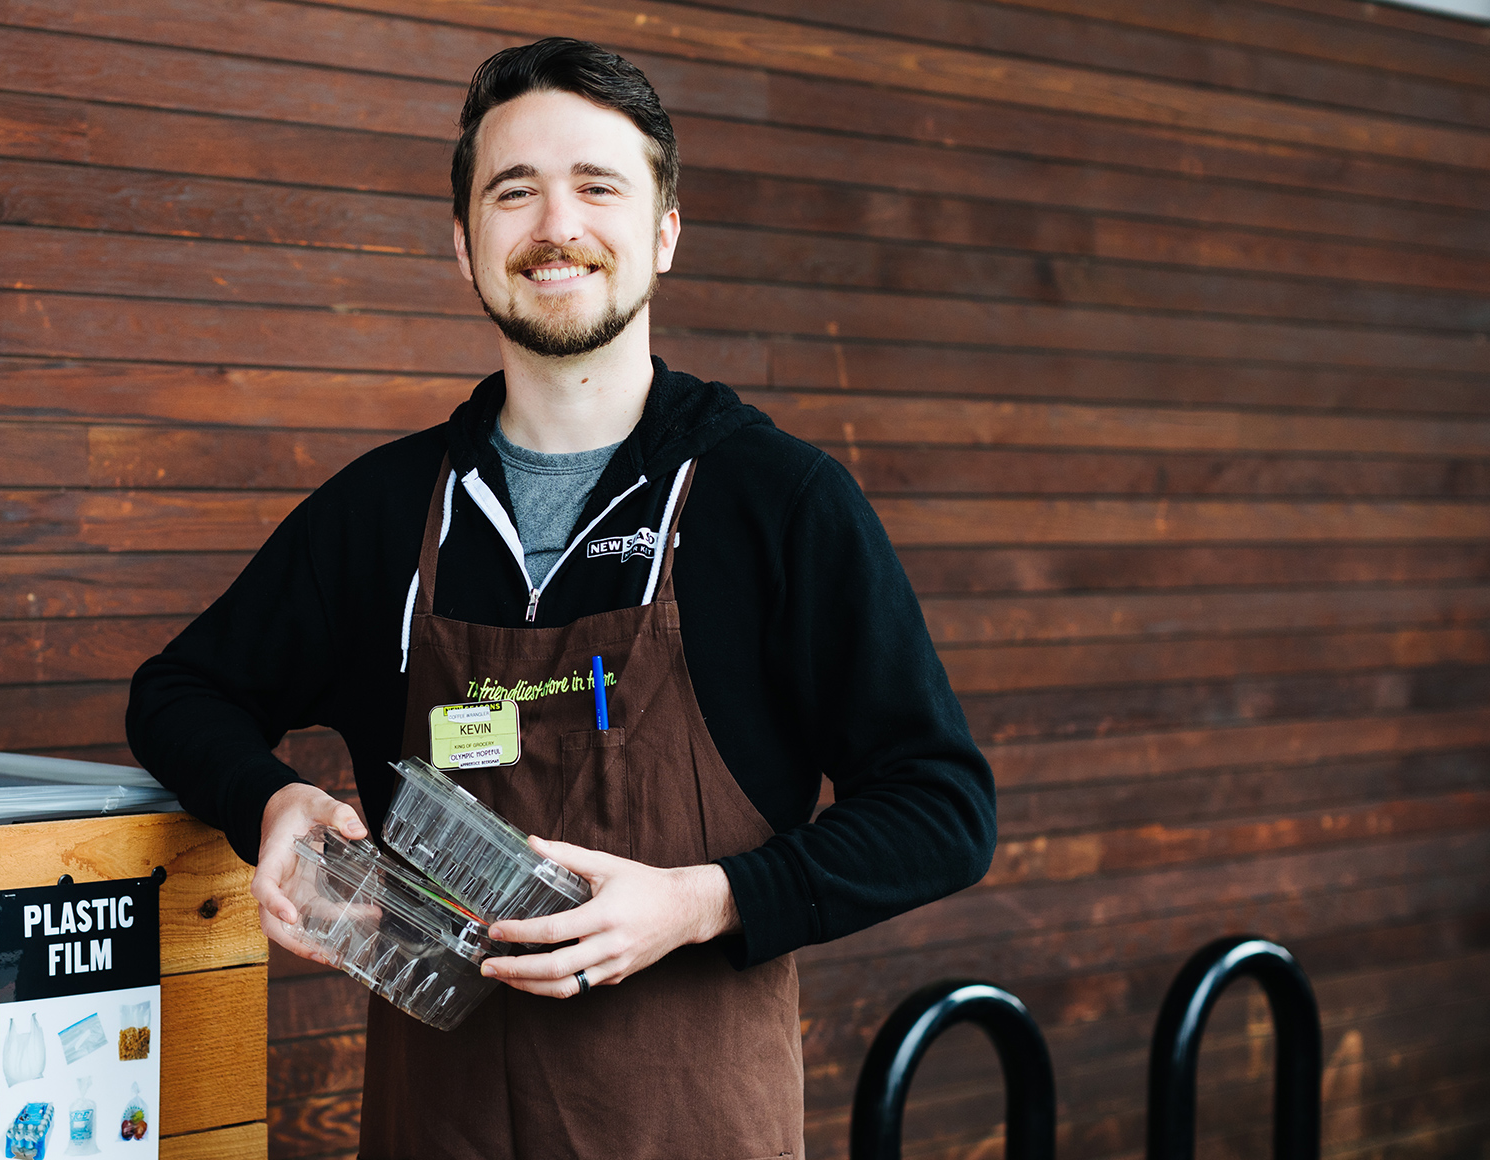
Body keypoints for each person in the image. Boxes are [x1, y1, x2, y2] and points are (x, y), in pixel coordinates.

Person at [127, 37, 995, 1160]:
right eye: (513, 190)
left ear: (664, 230)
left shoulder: (775, 503)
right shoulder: (382, 513)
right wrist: (269, 805)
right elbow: (178, 694)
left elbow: (941, 805)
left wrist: (703, 900)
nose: (555, 223)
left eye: (597, 184)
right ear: (463, 242)